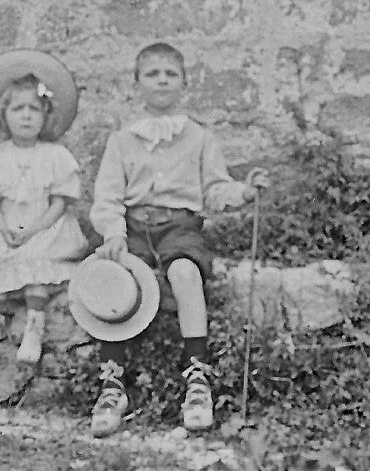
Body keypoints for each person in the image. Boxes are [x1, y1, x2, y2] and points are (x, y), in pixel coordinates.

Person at [86, 41, 268, 436]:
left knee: (185, 272)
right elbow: (108, 195)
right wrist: (114, 233)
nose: (162, 80)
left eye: (171, 73)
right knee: (115, 281)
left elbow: (216, 188)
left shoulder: (198, 137)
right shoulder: (122, 140)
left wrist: (244, 193)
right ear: (137, 84)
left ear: (185, 83)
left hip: (180, 227)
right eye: (152, 74)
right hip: (134, 227)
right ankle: (112, 383)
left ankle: (197, 377)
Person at [0, 61, 89, 366]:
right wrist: (3, 228)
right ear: (4, 115)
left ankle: (34, 329)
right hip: (4, 227)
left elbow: (60, 202)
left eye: (34, 109)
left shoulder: (55, 156)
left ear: (46, 116)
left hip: (45, 229)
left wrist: (33, 231)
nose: (27, 116)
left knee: (36, 273)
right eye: (18, 109)